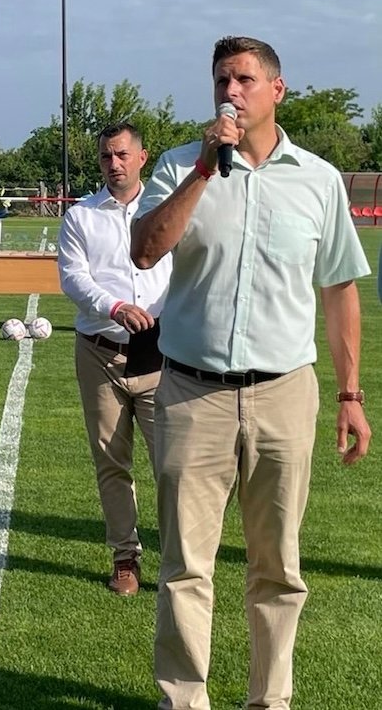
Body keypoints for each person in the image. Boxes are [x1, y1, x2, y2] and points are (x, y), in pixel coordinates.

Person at [131, 36, 372, 710]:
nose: (230, 92)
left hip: (283, 393)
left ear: (276, 90)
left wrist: (351, 394)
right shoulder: (181, 165)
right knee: (185, 567)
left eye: (243, 79)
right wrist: (203, 170)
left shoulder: (317, 179)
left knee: (278, 567)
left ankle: (270, 701)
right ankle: (184, 700)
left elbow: (339, 289)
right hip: (190, 394)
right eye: (220, 80)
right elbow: (145, 251)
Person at [58, 122, 172, 596]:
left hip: (162, 355)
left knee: (173, 464)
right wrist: (115, 307)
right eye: (106, 156)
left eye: (122, 154)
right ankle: (125, 556)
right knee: (111, 462)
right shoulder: (81, 216)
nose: (114, 163)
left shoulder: (166, 211)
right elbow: (73, 277)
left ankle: (180, 561)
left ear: (142, 157)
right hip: (100, 352)